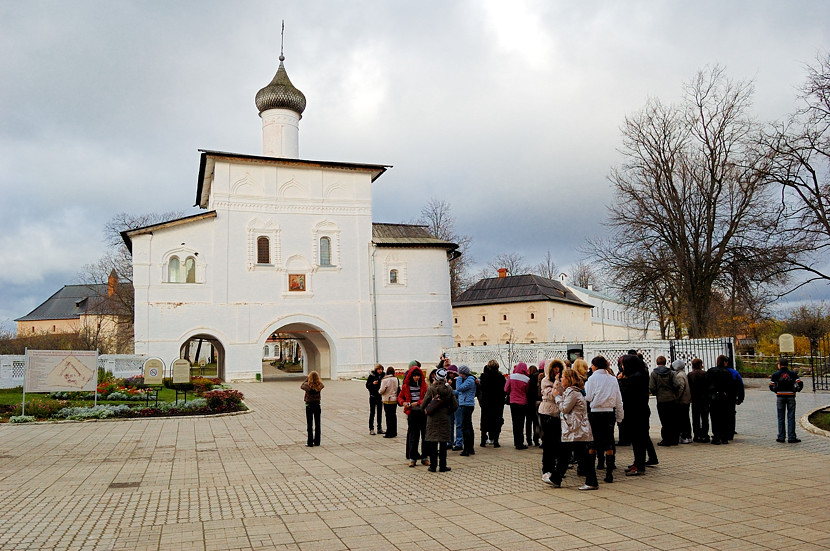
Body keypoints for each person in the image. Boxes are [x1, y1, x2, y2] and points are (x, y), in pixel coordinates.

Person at [550, 369, 599, 490]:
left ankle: (591, 481)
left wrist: (557, 397)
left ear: (569, 378)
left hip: (576, 430)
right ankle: (556, 478)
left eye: (563, 377)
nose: (561, 379)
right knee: (566, 455)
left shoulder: (573, 393)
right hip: (574, 429)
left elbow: (564, 408)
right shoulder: (572, 392)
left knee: (580, 456)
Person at [584, 356, 624, 483]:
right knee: (609, 442)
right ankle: (609, 473)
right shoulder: (613, 379)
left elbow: (588, 396)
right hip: (609, 413)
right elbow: (619, 400)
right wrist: (619, 416)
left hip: (595, 413)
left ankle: (592, 472)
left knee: (593, 441)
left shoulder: (592, 379)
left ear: (595, 366)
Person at [620, 350, 655, 476]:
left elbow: (626, 394)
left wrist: (622, 381)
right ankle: (637, 462)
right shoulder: (640, 374)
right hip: (640, 411)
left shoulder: (634, 378)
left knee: (638, 440)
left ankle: (639, 465)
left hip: (636, 413)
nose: (622, 367)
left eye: (624, 364)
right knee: (637, 440)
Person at [422, 367, 458, 472]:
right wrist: (448, 412)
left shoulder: (431, 389)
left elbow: (423, 404)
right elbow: (455, 405)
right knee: (443, 442)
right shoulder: (449, 389)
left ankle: (433, 466)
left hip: (432, 417)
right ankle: (443, 466)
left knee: (433, 442)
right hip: (444, 418)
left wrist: (427, 409)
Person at [398, 363, 429, 466]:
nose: (417, 378)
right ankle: (413, 458)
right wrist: (404, 403)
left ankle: (425, 457)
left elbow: (427, 398)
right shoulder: (406, 386)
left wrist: (419, 403)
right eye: (415, 376)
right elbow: (400, 397)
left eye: (418, 376)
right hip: (412, 413)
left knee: (425, 436)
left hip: (422, 412)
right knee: (413, 436)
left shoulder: (423, 385)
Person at [769, 358, 804, 443]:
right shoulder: (792, 374)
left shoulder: (775, 374)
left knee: (781, 417)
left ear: (779, 365)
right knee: (791, 416)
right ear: (787, 365)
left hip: (780, 396)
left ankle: (781, 436)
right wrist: (796, 390)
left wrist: (776, 391)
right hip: (791, 396)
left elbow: (771, 386)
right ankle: (791, 437)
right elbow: (800, 383)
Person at [540, 359, 563, 485]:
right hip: (547, 413)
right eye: (554, 369)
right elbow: (552, 395)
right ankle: (547, 469)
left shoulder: (561, 381)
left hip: (559, 414)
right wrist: (557, 383)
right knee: (548, 443)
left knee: (557, 443)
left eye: (558, 368)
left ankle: (555, 469)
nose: (557, 371)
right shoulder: (545, 381)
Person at [707, 355, 738, 445]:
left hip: (714, 397)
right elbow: (732, 386)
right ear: (724, 362)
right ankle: (724, 437)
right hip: (724, 397)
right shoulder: (727, 372)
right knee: (724, 417)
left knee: (715, 417)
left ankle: (716, 436)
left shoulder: (711, 371)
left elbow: (707, 384)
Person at [649, 356, 679, 446]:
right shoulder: (671, 373)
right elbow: (677, 384)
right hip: (671, 398)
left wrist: (656, 392)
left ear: (657, 362)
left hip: (661, 399)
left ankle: (666, 439)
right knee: (672, 419)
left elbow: (652, 387)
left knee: (664, 420)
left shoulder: (654, 373)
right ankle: (674, 439)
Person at [478, 360, 505, 447]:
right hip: (498, 402)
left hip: (487, 401)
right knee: (497, 420)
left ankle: (483, 441)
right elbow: (504, 390)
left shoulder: (484, 377)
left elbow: (481, 388)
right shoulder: (501, 377)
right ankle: (496, 441)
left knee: (485, 420)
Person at [504, 362, 530, 449]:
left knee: (515, 423)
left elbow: (506, 389)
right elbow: (527, 391)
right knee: (521, 422)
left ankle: (516, 442)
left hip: (513, 402)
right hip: (523, 403)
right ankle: (520, 442)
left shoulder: (511, 377)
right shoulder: (527, 379)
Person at [455, 364, 477, 456]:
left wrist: (459, 379)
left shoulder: (470, 380)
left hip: (467, 405)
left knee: (465, 427)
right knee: (468, 426)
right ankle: (470, 448)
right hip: (466, 404)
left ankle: (467, 449)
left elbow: (459, 388)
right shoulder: (468, 380)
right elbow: (460, 391)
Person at [687, 358, 710, 442]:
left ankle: (696, 435)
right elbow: (708, 386)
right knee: (704, 417)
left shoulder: (690, 375)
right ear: (700, 365)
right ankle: (704, 434)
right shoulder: (705, 374)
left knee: (695, 417)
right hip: (704, 398)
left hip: (695, 398)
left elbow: (688, 387)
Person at [671, 359, 693, 444]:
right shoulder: (683, 374)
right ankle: (687, 435)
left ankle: (685, 436)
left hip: (682, 400)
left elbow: (681, 388)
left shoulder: (679, 376)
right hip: (686, 400)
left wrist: (677, 397)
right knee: (685, 418)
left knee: (683, 419)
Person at [301, 371, 324, 447]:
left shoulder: (308, 386)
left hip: (309, 405)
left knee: (309, 424)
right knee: (317, 424)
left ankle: (310, 442)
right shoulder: (319, 385)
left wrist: (307, 379)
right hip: (317, 405)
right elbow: (322, 385)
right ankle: (317, 441)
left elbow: (301, 386)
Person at [379, 366, 400, 438]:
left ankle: (389, 432)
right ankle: (394, 431)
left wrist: (379, 392)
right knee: (393, 416)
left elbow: (381, 390)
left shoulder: (385, 380)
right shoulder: (396, 379)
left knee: (388, 417)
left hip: (387, 400)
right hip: (394, 400)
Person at [366, 364, 385, 435]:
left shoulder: (383, 376)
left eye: (381, 369)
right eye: (379, 369)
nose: (380, 371)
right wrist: (373, 384)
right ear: (376, 369)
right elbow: (367, 385)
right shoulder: (372, 376)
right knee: (372, 412)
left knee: (379, 413)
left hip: (380, 397)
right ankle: (371, 428)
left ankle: (379, 428)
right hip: (373, 396)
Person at [526, 365, 541, 447]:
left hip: (528, 402)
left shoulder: (528, 379)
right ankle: (536, 439)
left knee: (528, 422)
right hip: (537, 401)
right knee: (536, 422)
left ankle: (529, 439)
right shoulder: (538, 377)